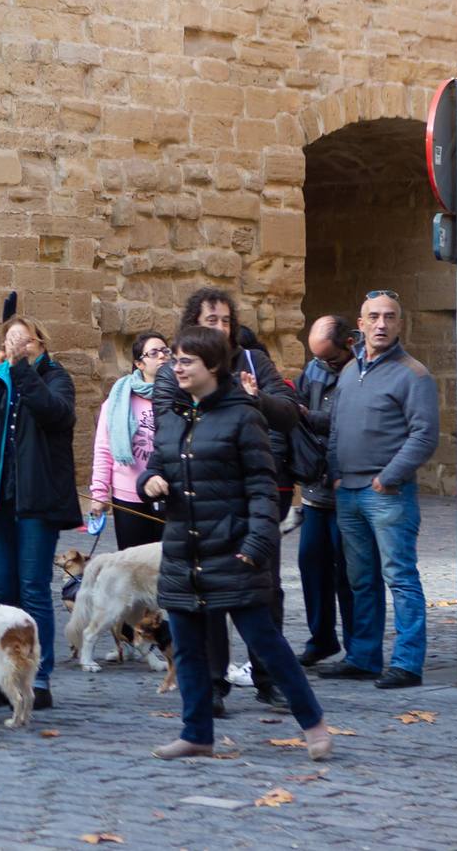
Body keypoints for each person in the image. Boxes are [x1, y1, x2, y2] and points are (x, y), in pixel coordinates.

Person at [141, 326, 333, 761]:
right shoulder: (173, 416)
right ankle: (196, 733)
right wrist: (148, 480)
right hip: (184, 551)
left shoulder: (243, 416)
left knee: (267, 644)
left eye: (186, 361)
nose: (177, 368)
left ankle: (314, 723)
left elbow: (263, 489)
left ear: (212, 367)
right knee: (189, 648)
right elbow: (157, 464)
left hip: (233, 551)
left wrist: (255, 545)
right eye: (174, 360)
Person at [153, 289, 301, 710]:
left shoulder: (253, 361)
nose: (219, 327)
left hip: (249, 494)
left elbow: (289, 412)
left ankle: (269, 678)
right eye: (210, 320)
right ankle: (213, 683)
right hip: (199, 496)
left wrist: (255, 398)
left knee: (263, 589)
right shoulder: (175, 371)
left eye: (224, 321)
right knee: (206, 595)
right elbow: (167, 429)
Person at [0, 315, 79, 711]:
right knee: (1, 593)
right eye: (10, 343)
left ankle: (38, 679)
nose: (18, 349)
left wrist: (23, 369)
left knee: (34, 589)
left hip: (37, 500)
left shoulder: (56, 378)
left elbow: (55, 413)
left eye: (26, 342)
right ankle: (4, 677)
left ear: (40, 343)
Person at [325, 291, 439, 689]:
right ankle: (363, 656)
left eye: (390, 317)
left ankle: (407, 664)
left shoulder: (414, 374)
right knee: (361, 581)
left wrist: (388, 477)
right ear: (360, 324)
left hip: (387, 494)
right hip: (349, 492)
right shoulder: (348, 372)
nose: (381, 324)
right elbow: (337, 427)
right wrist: (337, 472)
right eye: (373, 317)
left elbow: (424, 436)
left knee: (400, 578)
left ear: (399, 323)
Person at [295, 316, 379, 668]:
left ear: (348, 344)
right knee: (310, 563)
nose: (322, 366)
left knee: (351, 572)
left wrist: (308, 417)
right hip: (316, 487)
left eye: (328, 359)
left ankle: (356, 647)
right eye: (317, 359)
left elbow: (352, 422)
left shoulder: (363, 370)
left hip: (349, 484)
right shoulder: (313, 370)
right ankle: (322, 638)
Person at [89, 332, 170, 550]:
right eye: (154, 353)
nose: (162, 356)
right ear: (139, 363)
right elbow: (104, 449)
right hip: (128, 495)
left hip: (169, 494)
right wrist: (99, 493)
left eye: (165, 351)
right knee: (133, 566)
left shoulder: (180, 396)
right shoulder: (119, 399)